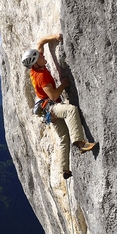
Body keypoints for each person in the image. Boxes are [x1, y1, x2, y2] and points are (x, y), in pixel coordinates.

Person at [21, 33, 95, 180]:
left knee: (62, 137)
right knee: (70, 110)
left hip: (46, 110)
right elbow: (53, 96)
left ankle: (65, 170)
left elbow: (41, 42)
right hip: (51, 107)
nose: (43, 57)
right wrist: (64, 84)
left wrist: (55, 37)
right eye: (40, 57)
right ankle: (80, 143)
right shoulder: (41, 77)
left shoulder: (36, 66)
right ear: (35, 63)